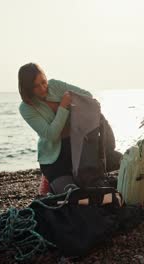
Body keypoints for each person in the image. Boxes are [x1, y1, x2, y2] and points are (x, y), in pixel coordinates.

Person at [18, 63, 119, 194]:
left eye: (44, 82)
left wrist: (74, 106)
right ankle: (50, 181)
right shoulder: (26, 108)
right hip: (55, 158)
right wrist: (63, 106)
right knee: (72, 194)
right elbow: (51, 135)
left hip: (78, 147)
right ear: (27, 88)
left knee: (114, 169)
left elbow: (87, 96)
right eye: (36, 86)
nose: (43, 88)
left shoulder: (55, 85)